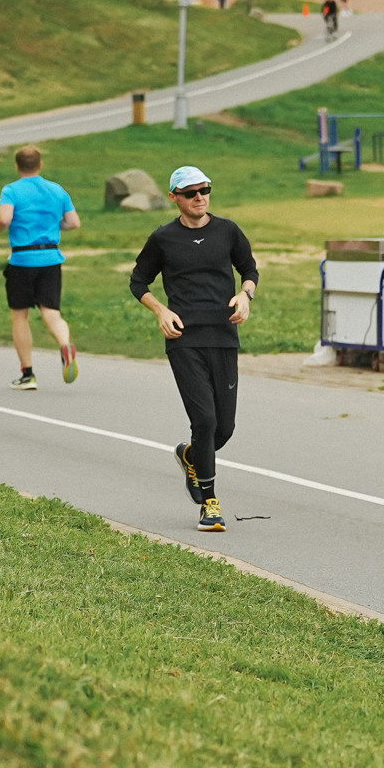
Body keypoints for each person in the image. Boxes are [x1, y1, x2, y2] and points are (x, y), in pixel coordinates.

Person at [131, 165, 257, 535]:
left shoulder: (228, 231)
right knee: (204, 421)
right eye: (190, 192)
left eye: (205, 190)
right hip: (184, 338)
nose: (200, 197)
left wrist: (244, 295)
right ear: (174, 198)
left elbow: (249, 268)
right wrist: (161, 310)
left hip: (223, 336)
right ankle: (210, 504)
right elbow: (139, 280)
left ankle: (190, 455)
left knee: (224, 428)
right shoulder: (163, 238)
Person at [0, 144, 80, 389]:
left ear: (17, 166)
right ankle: (65, 345)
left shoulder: (11, 190)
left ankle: (27, 374)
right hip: (51, 258)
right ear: (40, 165)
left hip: (22, 259)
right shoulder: (57, 190)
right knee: (51, 313)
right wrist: (52, 225)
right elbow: (73, 222)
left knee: (19, 317)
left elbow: (4, 219)